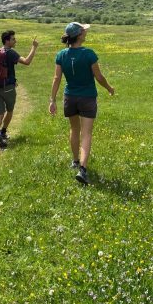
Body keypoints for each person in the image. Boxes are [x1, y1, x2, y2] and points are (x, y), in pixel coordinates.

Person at [49, 22, 114, 184]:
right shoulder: (89, 54)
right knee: (86, 133)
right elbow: (99, 77)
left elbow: (57, 78)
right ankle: (83, 170)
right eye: (84, 31)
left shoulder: (61, 55)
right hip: (87, 98)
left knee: (74, 128)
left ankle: (75, 161)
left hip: (69, 97)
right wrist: (109, 88)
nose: (86, 33)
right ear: (79, 35)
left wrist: (52, 100)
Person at [0, 30, 39, 149]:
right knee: (10, 110)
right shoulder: (10, 52)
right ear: (7, 41)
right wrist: (34, 47)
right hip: (8, 88)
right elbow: (27, 62)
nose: (15, 40)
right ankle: (3, 132)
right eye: (13, 39)